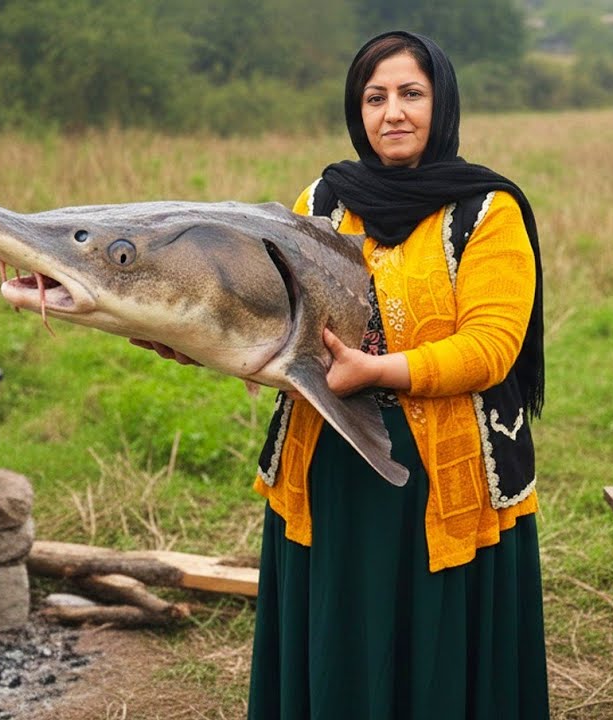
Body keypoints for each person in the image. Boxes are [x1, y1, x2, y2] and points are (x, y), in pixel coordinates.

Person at [138, 30, 549, 720]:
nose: (393, 112)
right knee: (341, 642)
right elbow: (283, 325)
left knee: (434, 652)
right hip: (330, 460)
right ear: (357, 110)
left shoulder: (487, 210)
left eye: (411, 95)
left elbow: (491, 348)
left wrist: (378, 370)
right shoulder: (324, 202)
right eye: (376, 96)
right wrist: (199, 341)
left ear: (440, 103)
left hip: (445, 477)